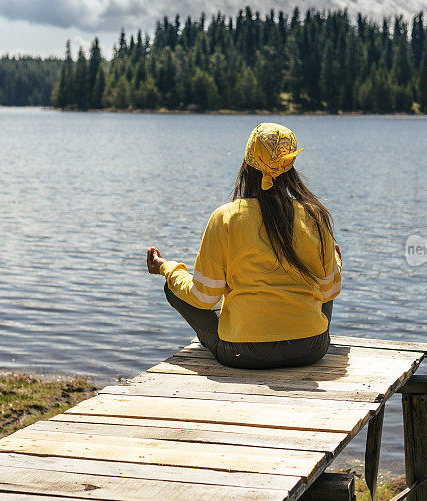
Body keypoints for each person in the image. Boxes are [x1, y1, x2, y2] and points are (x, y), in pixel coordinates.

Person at [146, 122, 341, 369]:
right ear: (291, 166)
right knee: (324, 277)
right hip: (310, 348)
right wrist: (334, 260)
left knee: (174, 287)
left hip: (243, 354)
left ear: (247, 165)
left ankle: (237, 328)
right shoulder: (315, 216)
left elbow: (204, 296)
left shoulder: (226, 217)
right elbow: (328, 291)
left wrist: (168, 268)